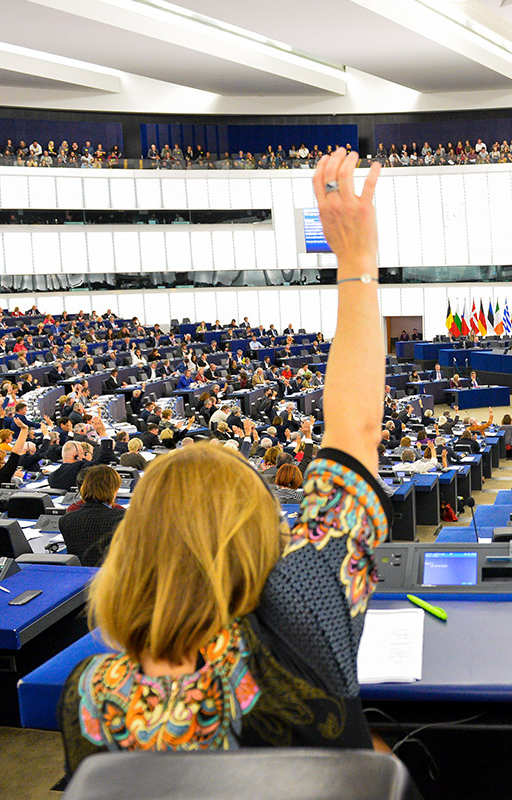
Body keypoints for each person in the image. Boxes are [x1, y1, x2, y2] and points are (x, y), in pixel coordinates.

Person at [61, 149, 392, 771]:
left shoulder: (90, 695)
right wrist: (356, 262)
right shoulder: (303, 612)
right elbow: (355, 430)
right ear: (257, 535)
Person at [58, 465, 126, 568]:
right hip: (113, 577)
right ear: (113, 490)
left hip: (80, 579)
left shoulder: (65, 520)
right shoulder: (123, 518)